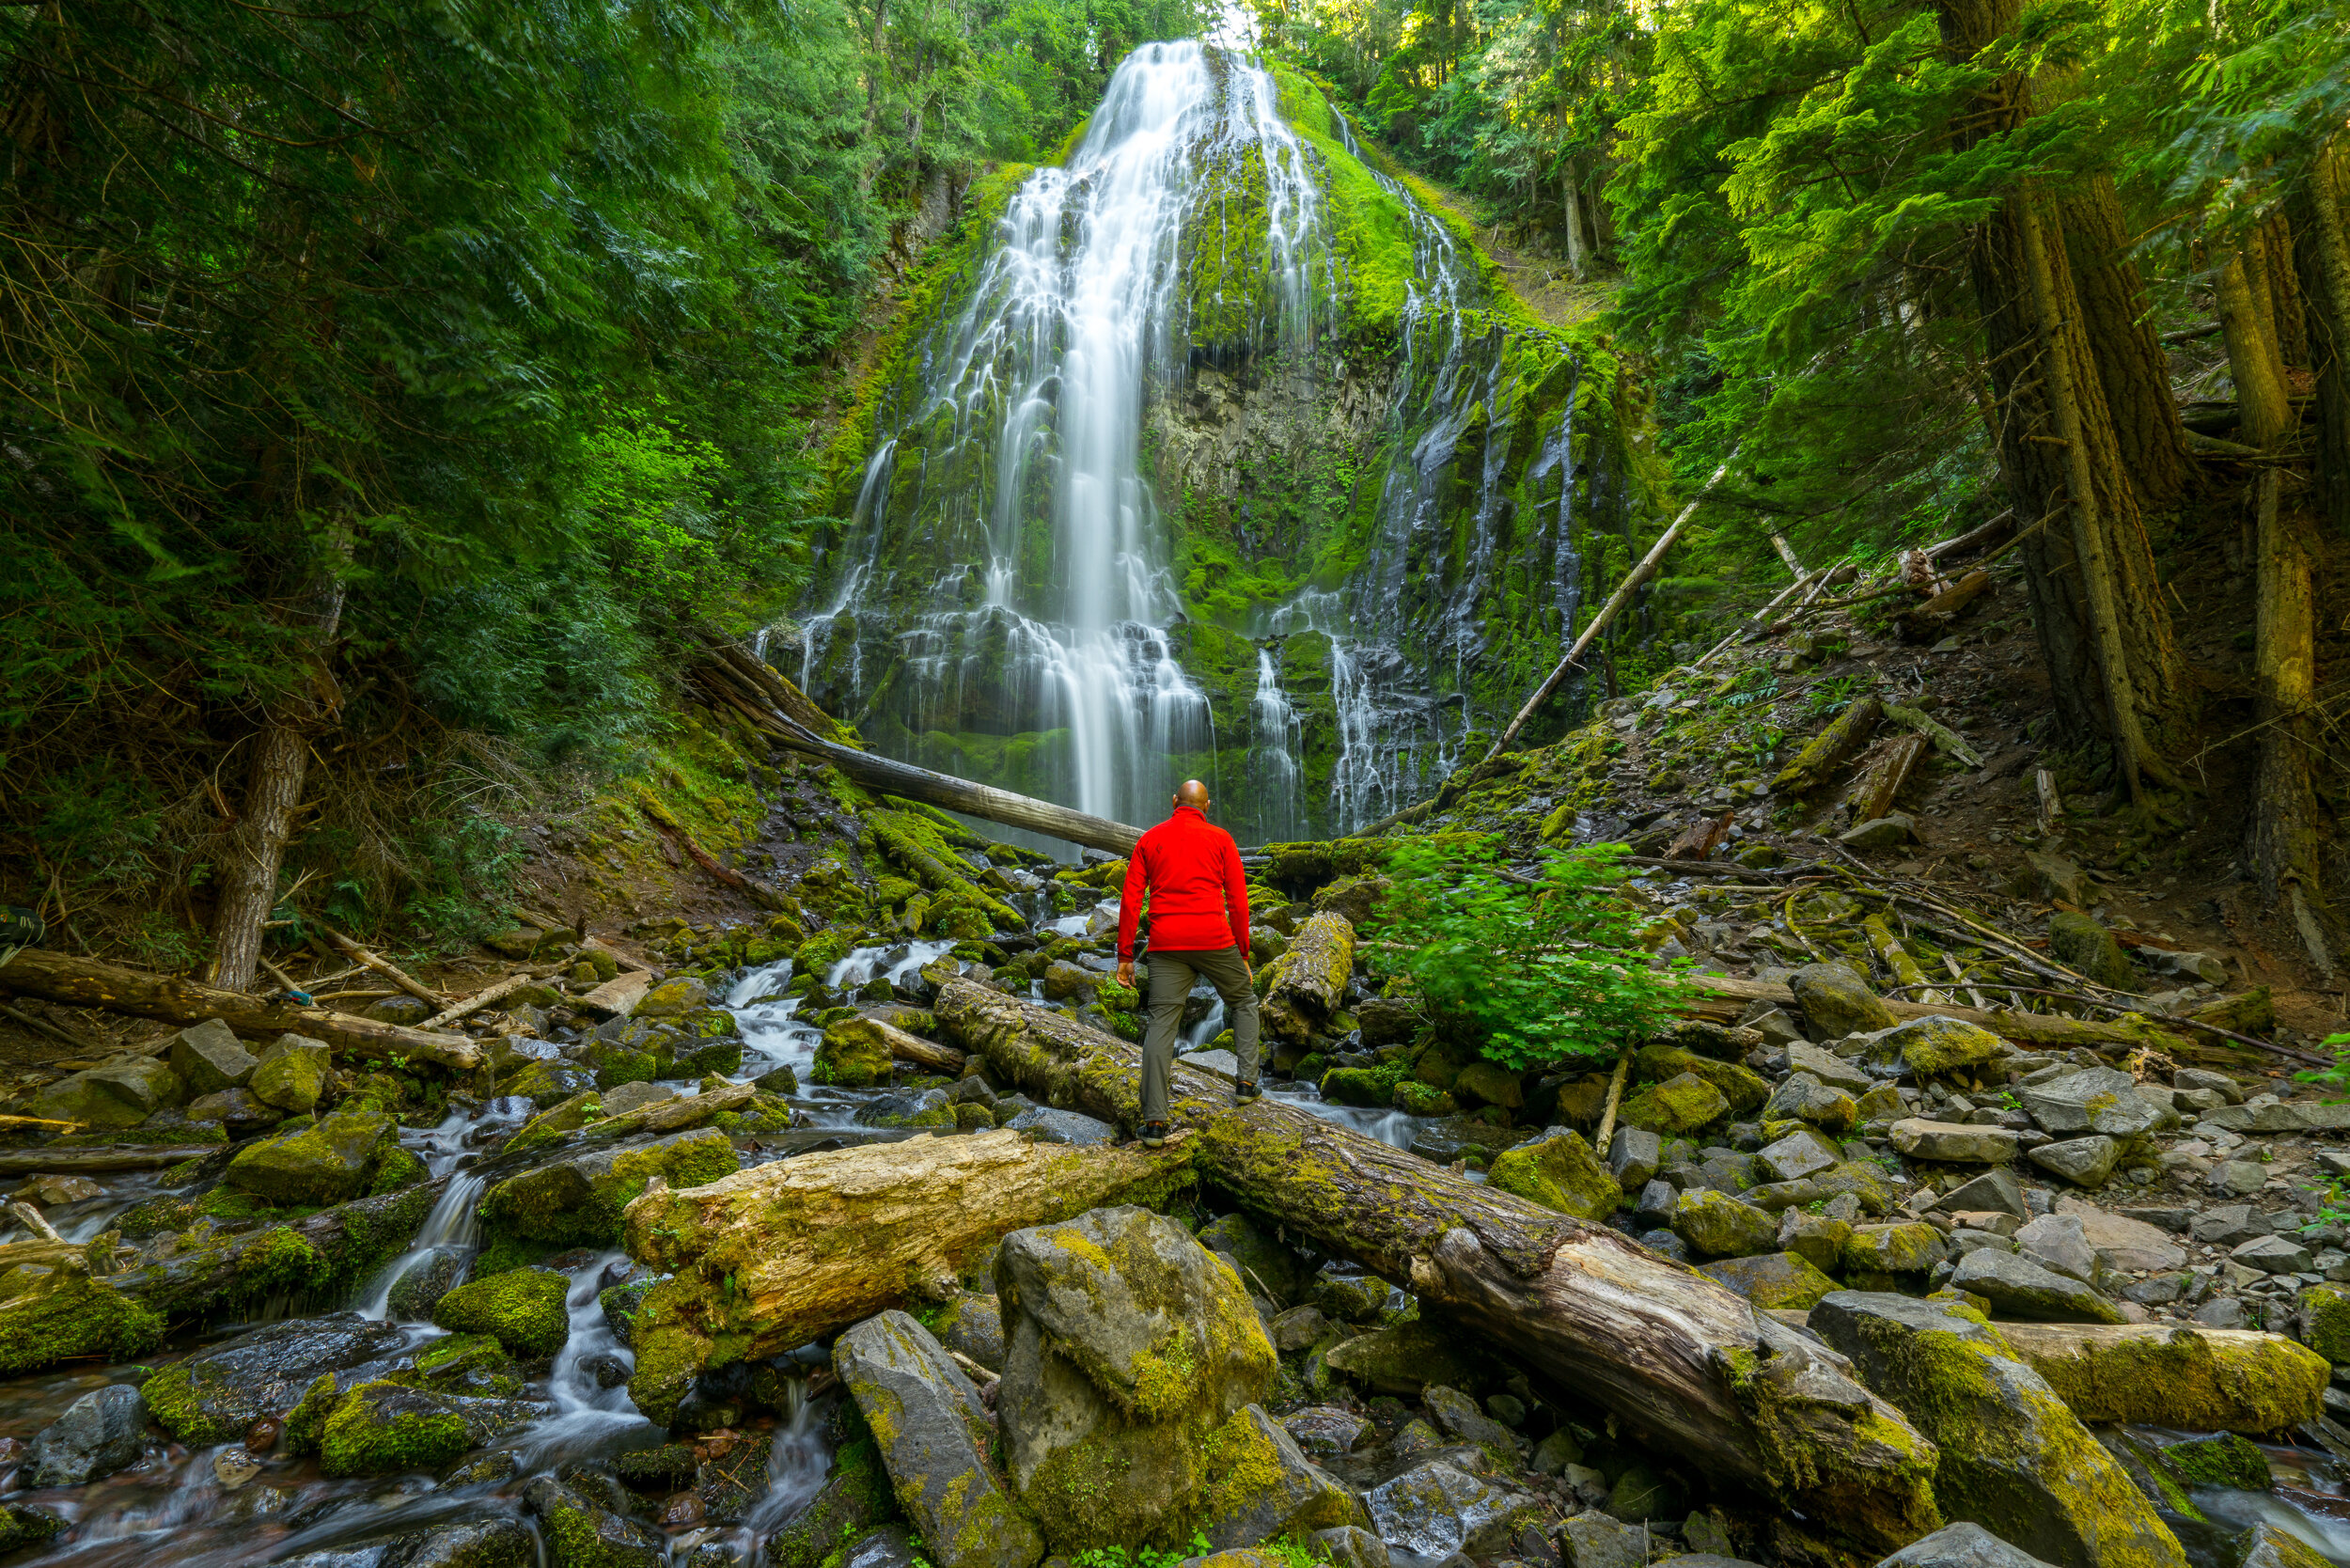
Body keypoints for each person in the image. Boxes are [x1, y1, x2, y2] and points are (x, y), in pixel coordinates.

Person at [1115, 778, 1261, 1147]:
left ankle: (1154, 1124)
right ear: (1206, 807)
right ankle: (1245, 1084)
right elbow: (1238, 902)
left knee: (1162, 1024)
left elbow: (1132, 899)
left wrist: (1125, 956)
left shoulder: (1150, 839)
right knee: (1243, 1002)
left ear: (1174, 801)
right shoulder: (1222, 840)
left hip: (1167, 945)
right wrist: (1242, 954)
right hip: (1214, 940)